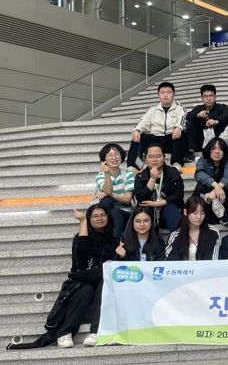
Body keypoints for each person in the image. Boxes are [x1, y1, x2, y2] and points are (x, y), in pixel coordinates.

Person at [7, 205, 117, 349]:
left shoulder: (113, 239)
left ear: (108, 217)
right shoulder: (81, 238)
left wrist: (119, 255)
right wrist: (82, 222)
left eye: (103, 215)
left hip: (101, 280)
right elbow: (80, 261)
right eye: (95, 216)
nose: (100, 218)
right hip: (81, 281)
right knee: (86, 289)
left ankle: (95, 332)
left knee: (105, 283)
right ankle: (65, 333)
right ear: (89, 219)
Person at [126, 81, 187, 172]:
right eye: (162, 93)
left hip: (171, 138)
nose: (165, 95)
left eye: (168, 93)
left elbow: (183, 120)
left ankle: (177, 163)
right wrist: (137, 130)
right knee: (138, 137)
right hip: (155, 139)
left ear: (174, 94)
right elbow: (143, 122)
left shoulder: (179, 108)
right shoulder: (153, 109)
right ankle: (133, 165)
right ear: (158, 95)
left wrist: (179, 128)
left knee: (180, 134)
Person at [133, 143, 185, 232]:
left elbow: (179, 195)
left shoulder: (173, 172)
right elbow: (141, 198)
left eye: (158, 156)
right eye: (151, 157)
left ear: (164, 157)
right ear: (145, 159)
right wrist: (152, 179)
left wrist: (160, 203)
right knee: (143, 213)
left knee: (171, 208)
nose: (155, 160)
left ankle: (177, 238)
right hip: (149, 213)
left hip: (169, 212)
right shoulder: (140, 176)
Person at [193, 138, 228, 225]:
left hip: (221, 199)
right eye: (213, 148)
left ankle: (225, 214)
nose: (217, 152)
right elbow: (199, 174)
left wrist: (217, 189)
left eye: (220, 149)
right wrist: (215, 185)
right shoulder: (202, 160)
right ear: (208, 149)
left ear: (224, 152)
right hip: (205, 198)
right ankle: (200, 215)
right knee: (200, 186)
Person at [94, 143, 134, 237]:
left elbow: (127, 199)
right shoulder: (100, 176)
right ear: (104, 160)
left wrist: (109, 194)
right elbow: (108, 191)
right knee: (107, 201)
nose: (114, 158)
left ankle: (113, 241)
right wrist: (107, 174)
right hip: (107, 215)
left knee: (114, 209)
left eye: (116, 154)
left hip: (125, 214)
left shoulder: (129, 175)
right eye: (110, 155)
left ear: (121, 156)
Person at [164, 196, 221, 260]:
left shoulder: (213, 232)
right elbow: (170, 260)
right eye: (195, 213)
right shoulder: (176, 235)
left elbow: (212, 260)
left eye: (202, 213)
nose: (199, 217)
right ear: (185, 212)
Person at [184, 84, 228, 162]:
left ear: (215, 97)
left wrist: (215, 121)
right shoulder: (199, 108)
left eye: (211, 96)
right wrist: (198, 115)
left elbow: (227, 114)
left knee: (225, 123)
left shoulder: (222, 107)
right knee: (190, 123)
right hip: (201, 141)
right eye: (205, 96)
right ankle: (190, 151)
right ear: (202, 98)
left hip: (218, 138)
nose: (208, 99)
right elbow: (188, 116)